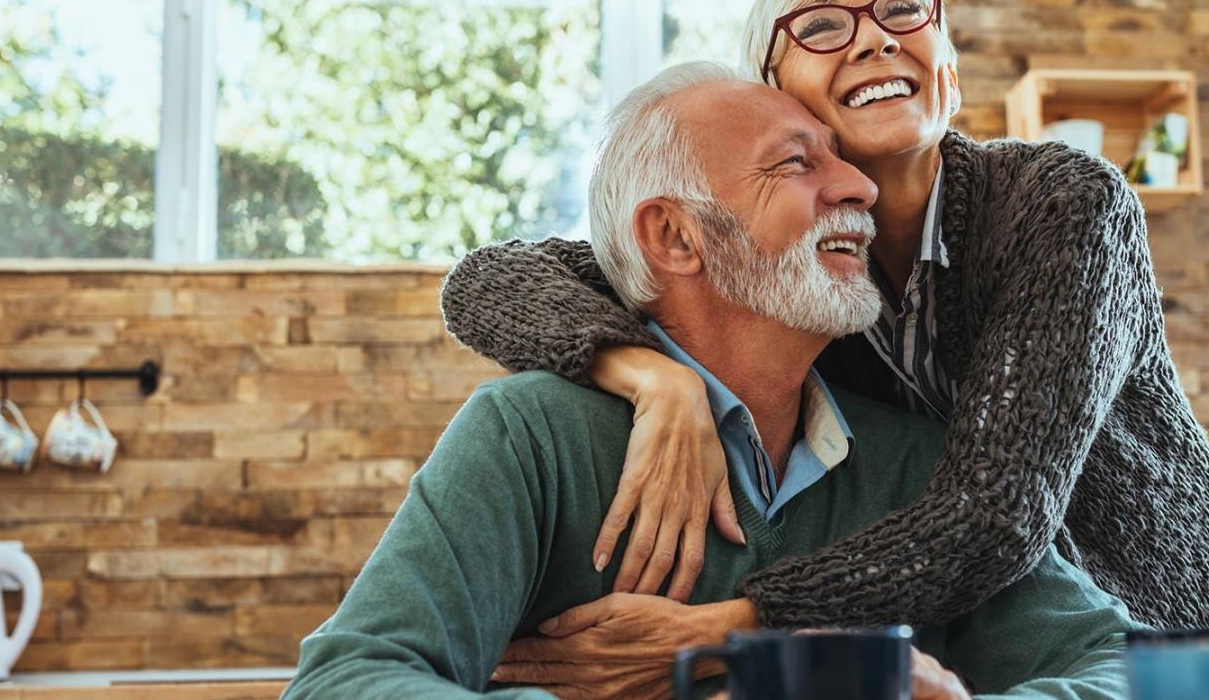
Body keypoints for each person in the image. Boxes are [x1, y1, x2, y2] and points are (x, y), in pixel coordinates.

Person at [440, 0, 1209, 646]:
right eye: (819, 23)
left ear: (948, 72)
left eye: (900, 10)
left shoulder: (1063, 204)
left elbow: (995, 515)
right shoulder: (789, 268)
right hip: (1002, 647)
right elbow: (488, 279)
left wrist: (726, 628)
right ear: (777, 97)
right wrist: (649, 375)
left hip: (1181, 629)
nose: (876, 37)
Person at [283, 62, 1137, 700]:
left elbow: (1122, 671)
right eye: (798, 164)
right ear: (677, 239)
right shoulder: (530, 435)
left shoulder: (917, 465)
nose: (859, 187)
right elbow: (346, 680)